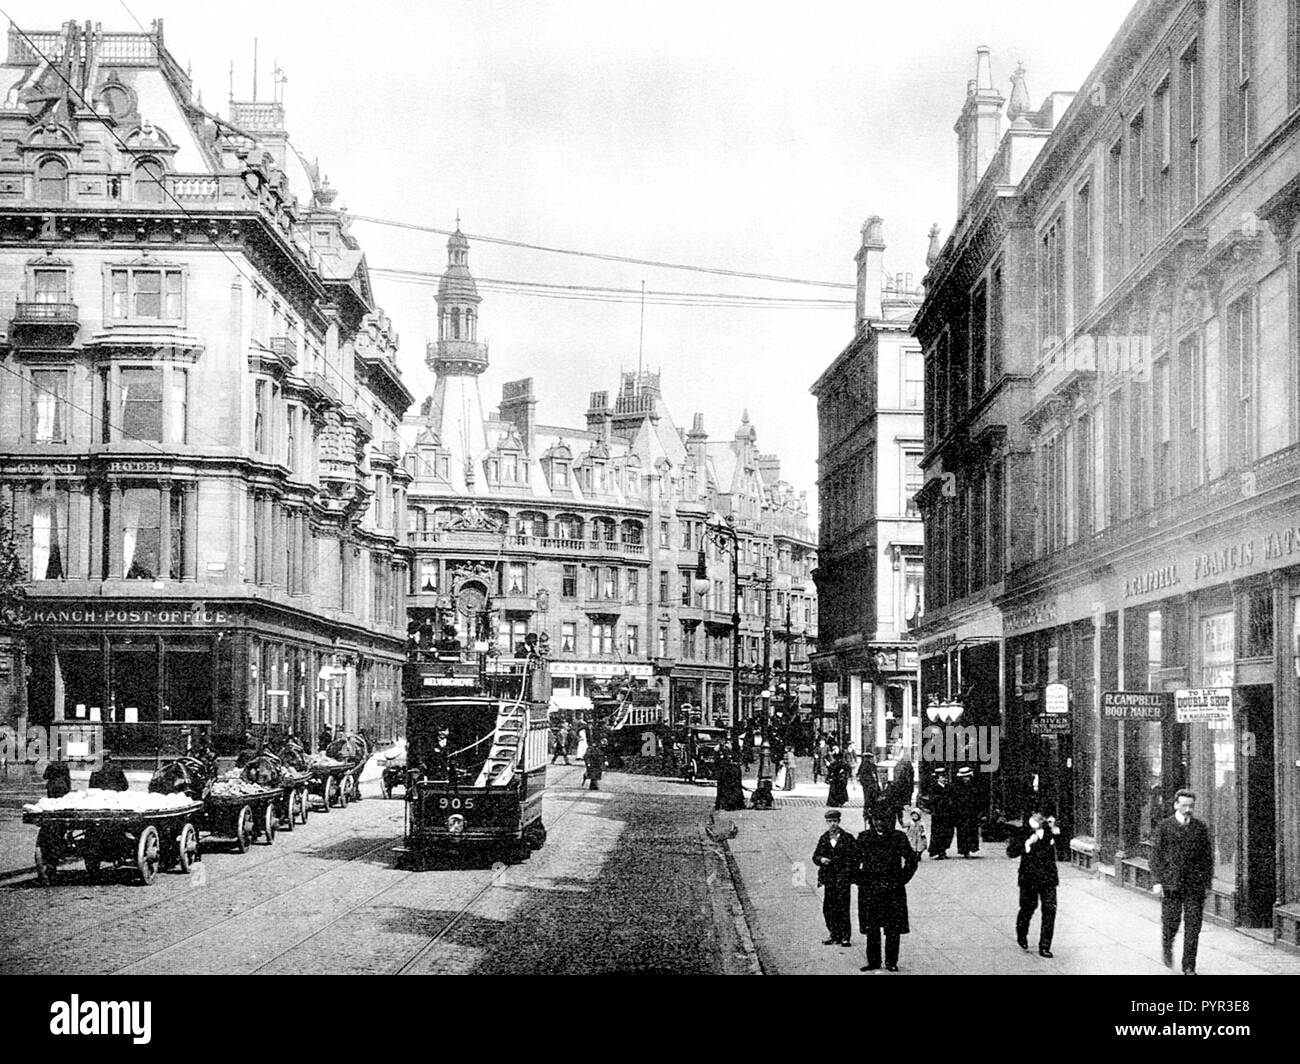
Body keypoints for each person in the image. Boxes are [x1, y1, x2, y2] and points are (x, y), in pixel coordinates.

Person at [1151, 788, 1214, 975]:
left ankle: (1189, 966)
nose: (1188, 809)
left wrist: (1207, 884)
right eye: (1184, 805)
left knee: (1193, 927)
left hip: (1195, 885)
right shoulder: (1165, 826)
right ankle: (1167, 945)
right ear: (1176, 805)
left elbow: (1207, 858)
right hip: (1172, 884)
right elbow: (1156, 856)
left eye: (1191, 806)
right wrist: (1157, 881)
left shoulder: (1200, 827)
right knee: (1171, 922)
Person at [855, 800, 920, 972]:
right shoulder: (864, 837)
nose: (879, 823)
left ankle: (891, 962)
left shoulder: (898, 837)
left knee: (893, 929)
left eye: (883, 819)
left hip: (893, 890)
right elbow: (852, 862)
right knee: (872, 928)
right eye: (876, 819)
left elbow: (912, 860)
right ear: (872, 820)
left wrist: (902, 880)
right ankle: (873, 961)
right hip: (870, 890)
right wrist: (861, 880)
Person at [1008, 807, 1061, 957]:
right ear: (1033, 814)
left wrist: (1054, 831)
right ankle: (1022, 934)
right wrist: (1026, 842)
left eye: (1044, 816)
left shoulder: (1050, 829)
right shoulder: (1022, 830)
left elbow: (1062, 847)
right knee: (1028, 908)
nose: (1042, 818)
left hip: (1048, 877)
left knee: (1050, 910)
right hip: (1029, 878)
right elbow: (1011, 853)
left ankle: (1044, 946)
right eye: (1040, 815)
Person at [812, 810, 858, 948]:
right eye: (830, 821)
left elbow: (855, 857)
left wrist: (848, 871)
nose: (833, 824)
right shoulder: (824, 838)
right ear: (826, 822)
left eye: (835, 821)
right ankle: (833, 933)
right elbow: (815, 856)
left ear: (839, 822)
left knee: (843, 907)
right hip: (829, 878)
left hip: (843, 878)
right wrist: (821, 859)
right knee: (829, 907)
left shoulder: (848, 838)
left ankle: (845, 936)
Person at [925, 767, 955, 858]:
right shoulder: (933, 787)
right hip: (938, 814)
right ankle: (938, 851)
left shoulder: (949, 787)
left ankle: (944, 850)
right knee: (938, 833)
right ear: (937, 778)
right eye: (942, 777)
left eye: (945, 777)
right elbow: (931, 800)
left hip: (948, 814)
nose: (944, 779)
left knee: (948, 832)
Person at [953, 764, 982, 857]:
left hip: (972, 813)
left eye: (967, 776)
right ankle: (964, 850)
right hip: (961, 813)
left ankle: (971, 848)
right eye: (964, 777)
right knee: (962, 832)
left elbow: (978, 799)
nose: (966, 778)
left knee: (972, 831)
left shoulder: (975, 786)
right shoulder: (957, 787)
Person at [885, 759, 915, 826]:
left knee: (897, 807)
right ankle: (899, 822)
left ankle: (898, 822)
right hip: (900, 791)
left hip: (900, 791)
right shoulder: (904, 768)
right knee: (897, 807)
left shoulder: (900, 767)